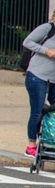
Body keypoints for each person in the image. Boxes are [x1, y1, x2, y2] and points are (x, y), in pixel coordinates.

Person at [22, 10, 55, 158]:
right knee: (37, 111)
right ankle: (31, 146)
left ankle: (50, 141)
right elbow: (27, 42)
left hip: (53, 79)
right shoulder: (47, 28)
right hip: (37, 76)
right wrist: (46, 51)